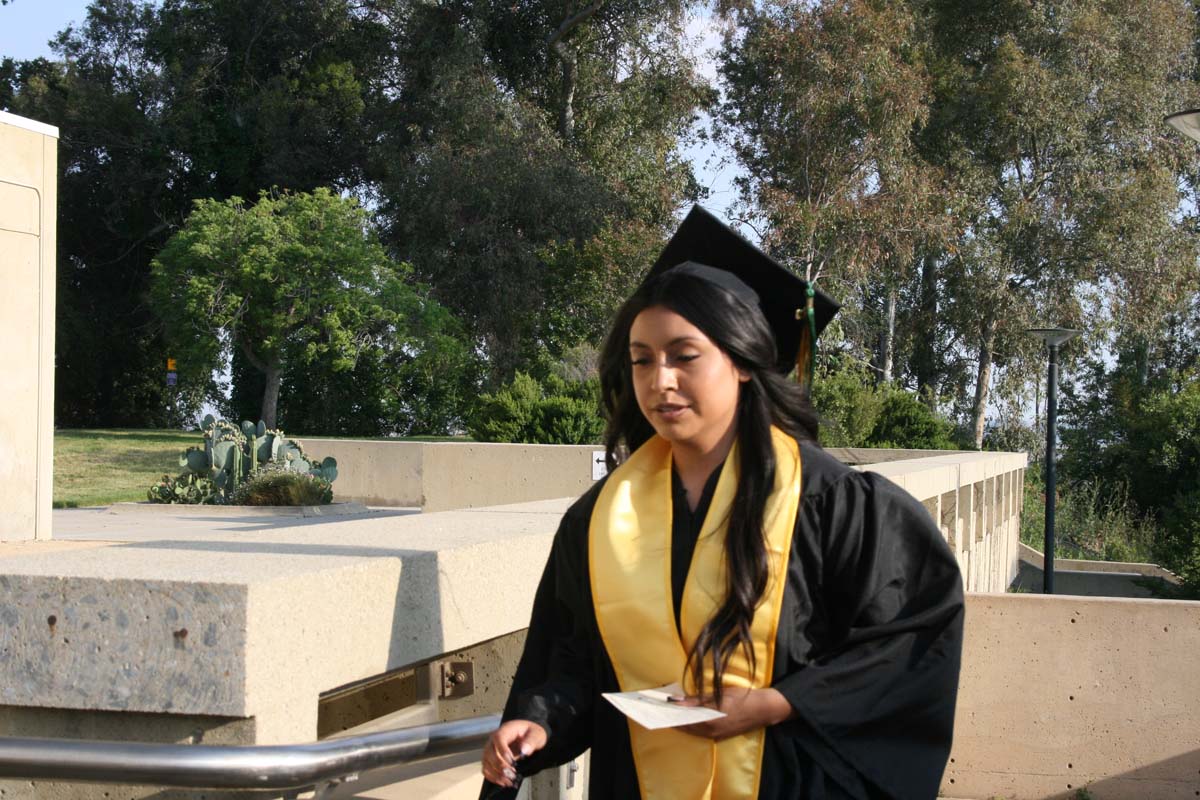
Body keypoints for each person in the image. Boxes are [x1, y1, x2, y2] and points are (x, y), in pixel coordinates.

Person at [480, 207, 964, 799]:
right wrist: (540, 723)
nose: (660, 381)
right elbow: (575, 660)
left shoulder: (834, 505)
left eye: (685, 356)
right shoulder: (599, 519)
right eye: (642, 359)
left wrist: (778, 703)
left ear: (740, 361)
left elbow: (908, 646)